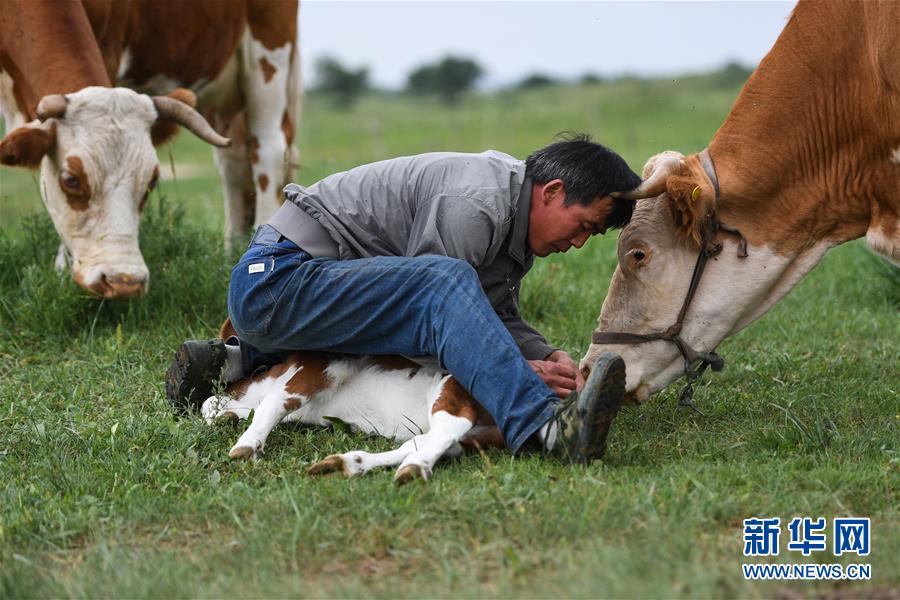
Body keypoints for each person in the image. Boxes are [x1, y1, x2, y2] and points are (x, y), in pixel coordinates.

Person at [166, 133, 641, 463]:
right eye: (584, 225)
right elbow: (435, 315)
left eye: (592, 235)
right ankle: (547, 429)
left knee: (448, 287)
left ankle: (233, 363)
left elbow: (483, 312)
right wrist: (513, 372)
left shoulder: (511, 217)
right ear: (553, 192)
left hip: (309, 294)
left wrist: (545, 354)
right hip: (278, 282)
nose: (580, 243)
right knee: (443, 282)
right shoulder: (477, 202)